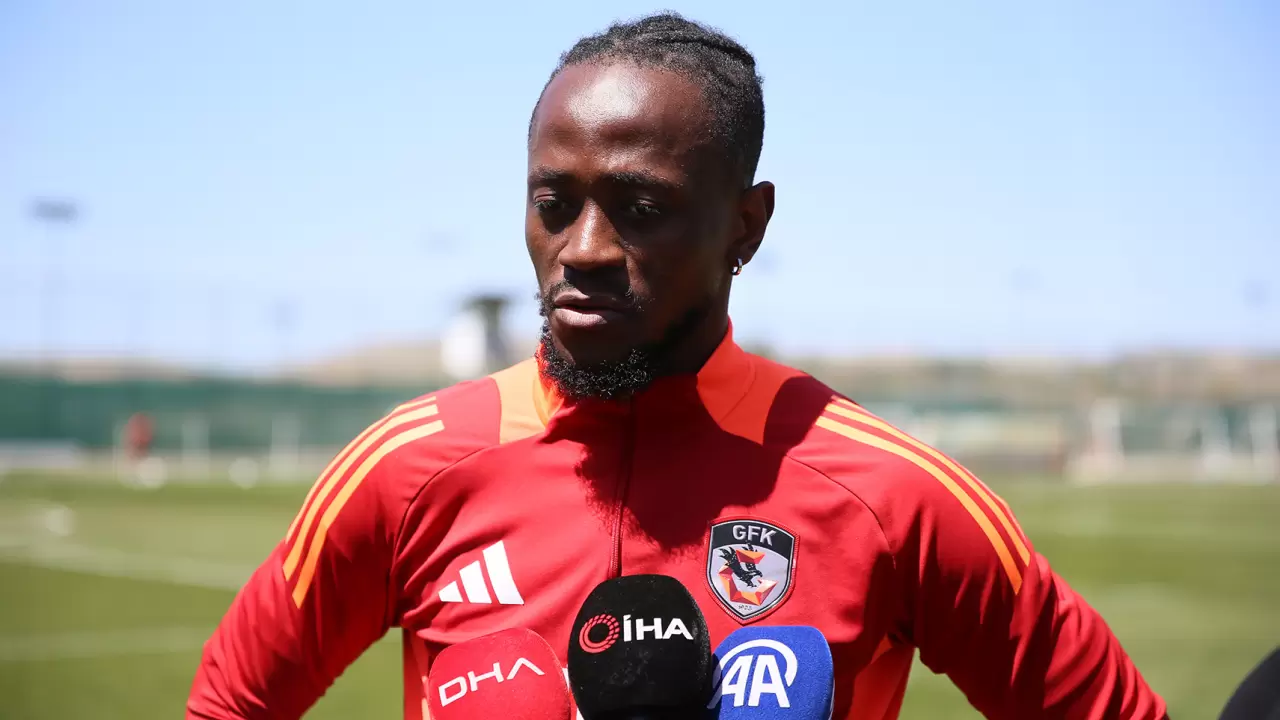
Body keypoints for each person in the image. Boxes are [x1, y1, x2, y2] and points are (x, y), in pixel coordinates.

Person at [188, 13, 1167, 719]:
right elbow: (229, 703)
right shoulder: (406, 472)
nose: (582, 249)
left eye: (641, 208)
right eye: (553, 204)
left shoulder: (891, 496)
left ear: (745, 226)